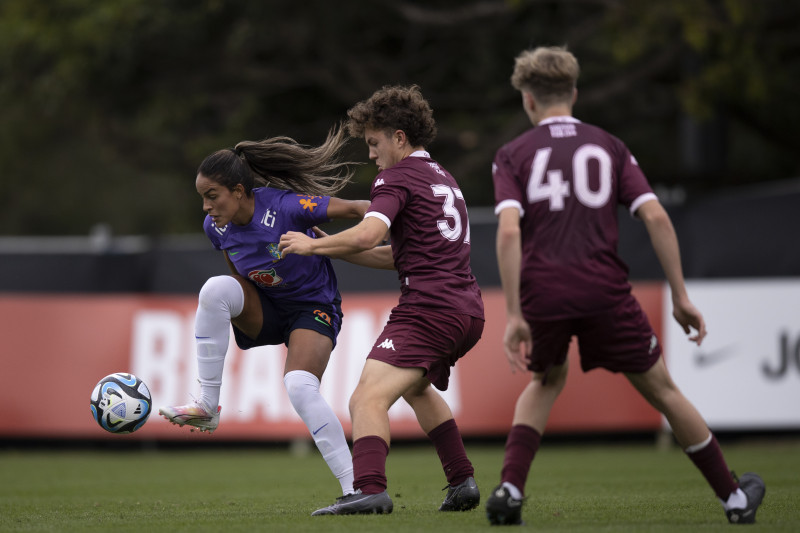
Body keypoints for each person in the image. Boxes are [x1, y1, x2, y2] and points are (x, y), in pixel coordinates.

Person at [484, 46, 765, 526]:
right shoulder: (609, 146)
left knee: (545, 379)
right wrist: (680, 295)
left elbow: (509, 231)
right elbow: (655, 215)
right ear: (573, 92)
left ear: (528, 100)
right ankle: (734, 499)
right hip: (604, 290)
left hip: (544, 291)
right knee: (663, 390)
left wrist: (513, 314)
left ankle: (510, 489)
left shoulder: (512, 155)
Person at [279, 85, 486, 515]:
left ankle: (369, 489)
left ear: (399, 137)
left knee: (366, 399)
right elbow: (398, 255)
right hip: (466, 309)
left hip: (429, 308)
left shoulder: (397, 176)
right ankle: (461, 480)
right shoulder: (443, 176)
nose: (372, 155)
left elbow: (371, 233)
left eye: (374, 143)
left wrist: (312, 246)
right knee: (416, 388)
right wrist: (334, 244)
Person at [158, 126, 370, 508]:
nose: (205, 207)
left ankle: (354, 490)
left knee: (300, 387)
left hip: (313, 308)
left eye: (212, 196)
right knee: (214, 289)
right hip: (268, 308)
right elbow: (237, 272)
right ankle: (207, 407)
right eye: (202, 198)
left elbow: (358, 209)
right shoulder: (216, 227)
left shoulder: (286, 207)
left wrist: (400, 225)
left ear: (238, 192)